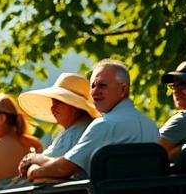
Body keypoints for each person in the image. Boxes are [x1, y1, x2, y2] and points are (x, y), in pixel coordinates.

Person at [23, 60, 159, 182]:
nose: (95, 92)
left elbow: (63, 168)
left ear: (123, 89)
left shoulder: (104, 125)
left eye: (102, 86)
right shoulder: (151, 125)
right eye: (93, 86)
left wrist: (33, 170)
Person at [16, 72, 98, 179]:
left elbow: (54, 168)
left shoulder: (77, 131)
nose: (52, 108)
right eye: (52, 103)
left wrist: (33, 161)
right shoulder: (72, 130)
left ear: (75, 106)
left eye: (59, 102)